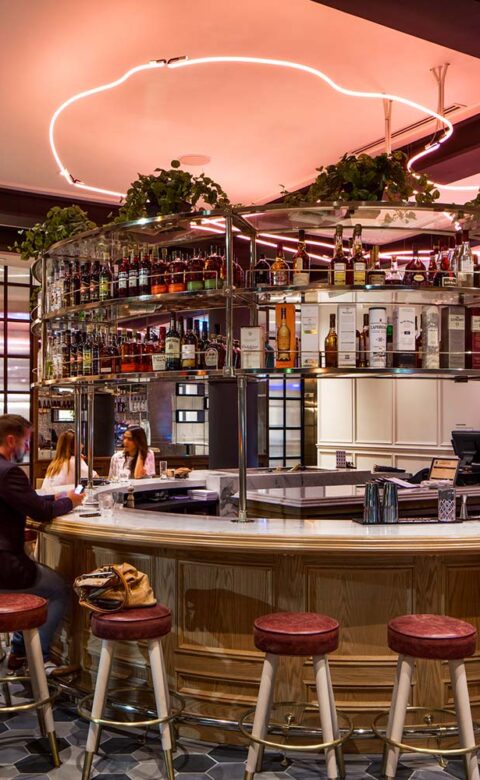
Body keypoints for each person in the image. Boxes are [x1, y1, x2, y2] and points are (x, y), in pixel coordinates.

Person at [0, 415, 84, 673]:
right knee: (59, 588)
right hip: (5, 566)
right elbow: (42, 513)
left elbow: (23, 500)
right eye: (25, 442)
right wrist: (70, 501)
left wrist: (53, 497)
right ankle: (37, 658)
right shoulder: (9, 472)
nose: (27, 448)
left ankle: (19, 650)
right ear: (11, 440)